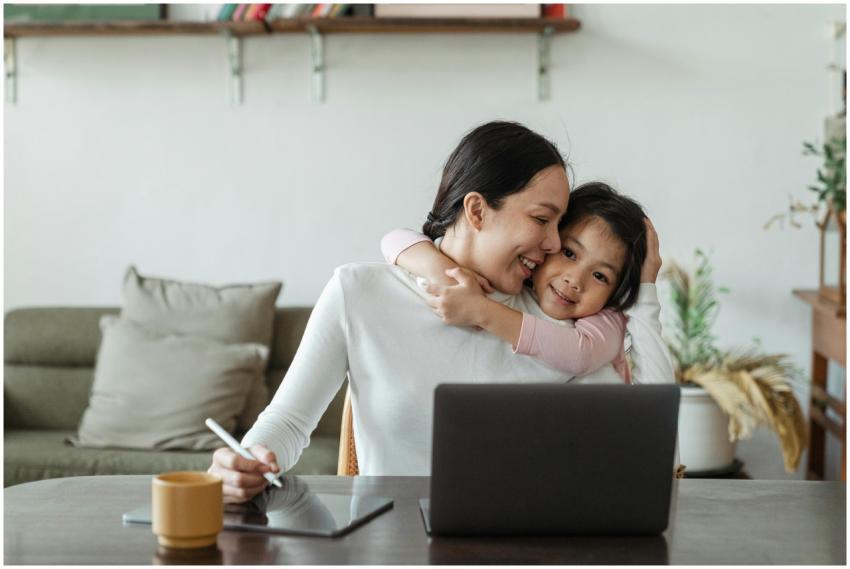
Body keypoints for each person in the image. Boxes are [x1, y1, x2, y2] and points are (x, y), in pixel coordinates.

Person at [208, 121, 674, 503]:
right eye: (540, 219)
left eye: (559, 224)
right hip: (389, 549)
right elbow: (288, 423)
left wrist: (647, 290)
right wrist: (246, 460)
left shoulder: (562, 324)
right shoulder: (359, 293)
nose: (554, 244)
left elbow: (650, 441)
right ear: (476, 210)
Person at [380, 182, 652, 381]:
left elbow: (580, 354)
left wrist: (481, 311)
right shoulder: (519, 282)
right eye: (568, 253)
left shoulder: (608, 318)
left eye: (600, 276)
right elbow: (394, 238)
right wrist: (443, 272)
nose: (575, 280)